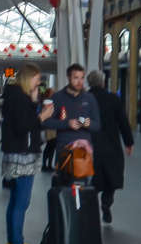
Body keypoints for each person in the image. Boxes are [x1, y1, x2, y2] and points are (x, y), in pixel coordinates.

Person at [0, 63, 56, 244]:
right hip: (23, 154)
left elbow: (20, 119)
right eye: (37, 79)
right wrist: (42, 116)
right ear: (28, 78)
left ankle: (12, 241)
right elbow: (23, 126)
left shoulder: (13, 95)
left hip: (14, 152)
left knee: (15, 200)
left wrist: (33, 103)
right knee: (22, 201)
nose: (39, 83)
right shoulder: (20, 98)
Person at [86, 70, 133, 223]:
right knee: (111, 176)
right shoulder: (113, 99)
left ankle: (89, 206)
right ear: (103, 82)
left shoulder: (84, 99)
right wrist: (129, 142)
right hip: (111, 144)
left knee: (93, 177)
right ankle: (107, 202)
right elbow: (123, 122)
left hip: (91, 144)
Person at [43, 63, 101, 172]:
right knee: (61, 184)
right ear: (68, 78)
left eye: (82, 78)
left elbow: (97, 125)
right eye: (75, 78)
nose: (79, 82)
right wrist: (66, 123)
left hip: (84, 151)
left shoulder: (90, 98)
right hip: (64, 148)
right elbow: (46, 122)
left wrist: (89, 124)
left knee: (83, 186)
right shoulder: (58, 97)